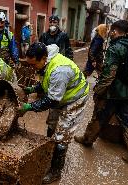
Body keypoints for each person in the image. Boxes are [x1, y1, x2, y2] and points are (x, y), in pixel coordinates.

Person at [74, 20, 128, 168]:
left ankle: (87, 139)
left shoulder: (115, 48)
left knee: (99, 115)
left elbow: (108, 75)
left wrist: (98, 91)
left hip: (112, 93)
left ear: (115, 31)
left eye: (111, 31)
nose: (110, 33)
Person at [18, 43, 89, 183]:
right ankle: (50, 152)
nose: (32, 68)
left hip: (75, 99)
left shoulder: (59, 71)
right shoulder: (45, 61)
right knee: (51, 124)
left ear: (44, 58)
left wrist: (28, 107)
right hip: (60, 94)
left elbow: (52, 101)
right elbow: (46, 82)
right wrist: (31, 89)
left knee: (62, 136)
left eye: (33, 65)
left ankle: (56, 171)